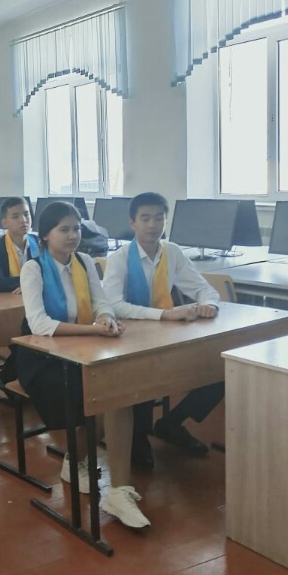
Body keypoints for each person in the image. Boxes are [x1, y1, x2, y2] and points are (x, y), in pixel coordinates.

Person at [16, 201, 149, 528]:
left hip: (84, 350)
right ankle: (77, 462)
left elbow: (102, 303)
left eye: (76, 228)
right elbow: (39, 324)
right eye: (64, 229)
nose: (73, 235)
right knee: (104, 395)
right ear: (45, 235)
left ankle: (113, 487)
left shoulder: (85, 262)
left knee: (117, 391)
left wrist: (106, 320)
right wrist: (93, 330)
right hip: (43, 357)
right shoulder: (34, 268)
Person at [102, 192, 223, 469]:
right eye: (145, 218)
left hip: (166, 334)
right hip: (130, 338)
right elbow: (114, 305)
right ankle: (137, 434)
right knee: (144, 378)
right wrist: (164, 314)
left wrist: (209, 304)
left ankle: (171, 423)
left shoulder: (172, 252)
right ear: (132, 222)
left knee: (219, 369)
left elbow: (204, 289)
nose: (152, 225)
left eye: (159, 218)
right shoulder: (121, 258)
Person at [0, 197, 39, 294]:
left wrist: (28, 285)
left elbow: (49, 275)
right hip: (9, 297)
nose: (23, 220)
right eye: (15, 217)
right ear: (4, 223)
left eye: (26, 214)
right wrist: (30, 282)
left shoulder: (38, 243)